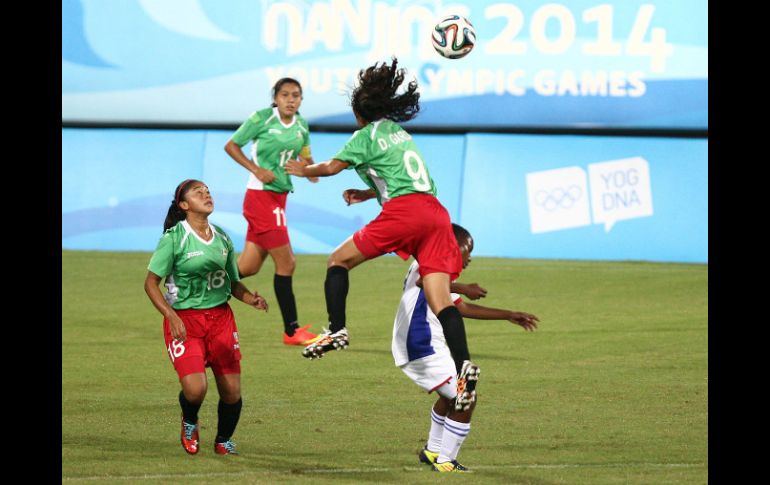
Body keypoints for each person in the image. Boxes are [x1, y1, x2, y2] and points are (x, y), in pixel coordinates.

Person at [284, 58, 475, 389]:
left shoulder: (365, 135)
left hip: (405, 213)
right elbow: (408, 179)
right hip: (435, 212)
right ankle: (464, 368)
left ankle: (337, 329)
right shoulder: (398, 132)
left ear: (360, 114)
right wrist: (368, 192)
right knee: (440, 299)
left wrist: (306, 170)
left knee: (337, 261)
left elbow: (330, 167)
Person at [393, 224, 539, 472]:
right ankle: (446, 462)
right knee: (466, 397)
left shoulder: (436, 264)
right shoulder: (434, 264)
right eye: (467, 249)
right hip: (420, 342)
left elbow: (461, 308)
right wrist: (463, 287)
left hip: (426, 341)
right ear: (452, 245)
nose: (469, 256)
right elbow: (422, 281)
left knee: (451, 395)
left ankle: (433, 450)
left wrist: (507, 314)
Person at [143, 179, 269, 455]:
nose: (206, 194)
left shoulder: (222, 237)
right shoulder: (174, 238)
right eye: (198, 192)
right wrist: (170, 314)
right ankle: (190, 421)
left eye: (208, 191)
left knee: (232, 392)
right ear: (184, 205)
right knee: (196, 389)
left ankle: (223, 440)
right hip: (185, 321)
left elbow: (233, 282)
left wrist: (251, 299)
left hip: (221, 320)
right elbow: (151, 283)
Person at [224, 77, 321, 346]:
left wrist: (310, 171)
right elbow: (231, 145)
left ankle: (204, 280)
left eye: (296, 95)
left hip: (279, 198)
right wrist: (256, 169)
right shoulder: (263, 118)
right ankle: (292, 331)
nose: (291, 100)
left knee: (248, 266)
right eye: (286, 95)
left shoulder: (301, 125)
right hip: (260, 197)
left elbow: (306, 159)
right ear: (275, 98)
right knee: (287, 262)